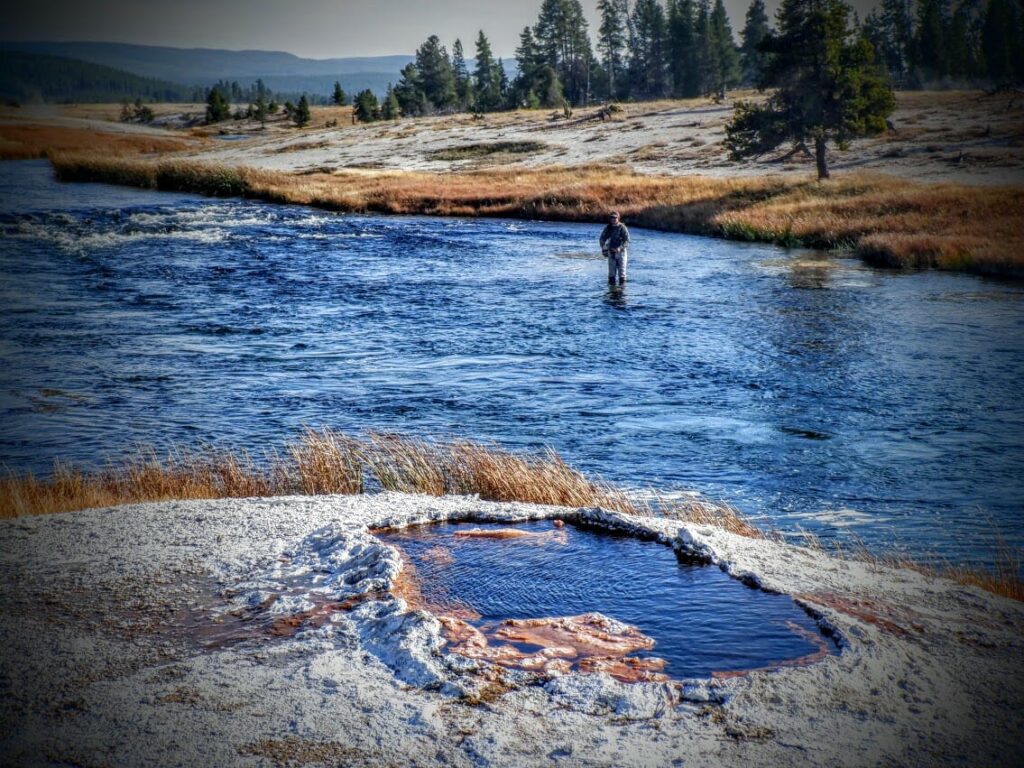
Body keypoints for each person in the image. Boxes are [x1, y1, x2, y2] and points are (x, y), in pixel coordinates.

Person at [600, 211, 630, 286]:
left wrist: (620, 248)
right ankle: (612, 291)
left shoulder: (622, 227)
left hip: (621, 253)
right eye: (611, 217)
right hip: (611, 252)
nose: (613, 219)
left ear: (618, 218)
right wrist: (603, 247)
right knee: (611, 274)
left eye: (615, 218)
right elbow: (602, 238)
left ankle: (621, 291)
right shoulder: (608, 228)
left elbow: (627, 241)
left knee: (622, 274)